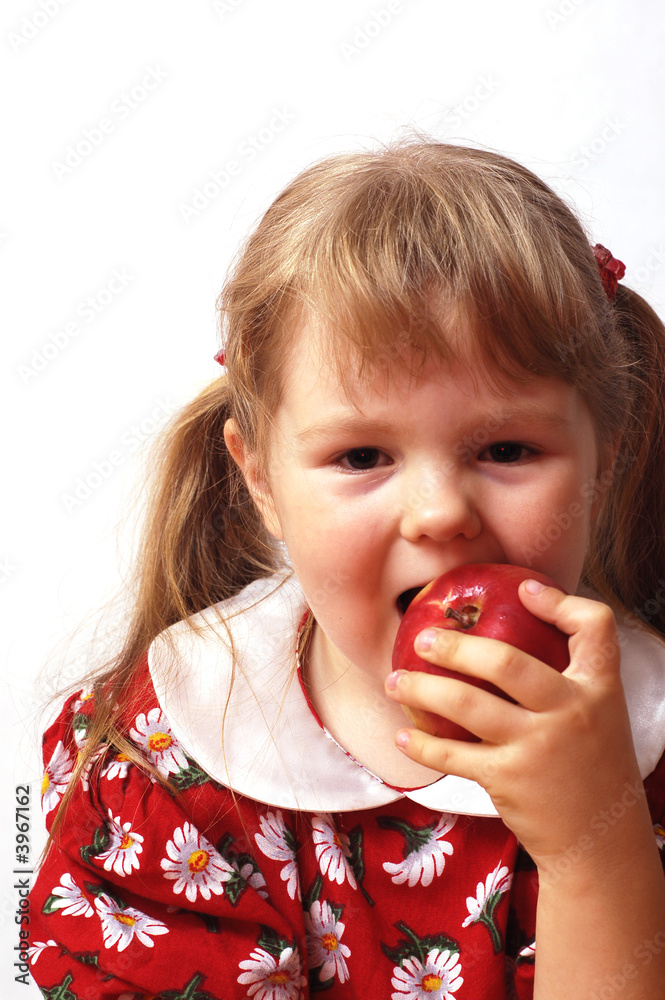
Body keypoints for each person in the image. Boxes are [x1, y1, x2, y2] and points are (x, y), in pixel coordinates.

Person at [28, 139, 665, 999]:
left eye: (507, 449)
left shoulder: (648, 747)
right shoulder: (165, 759)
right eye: (362, 455)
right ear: (260, 480)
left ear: (604, 459)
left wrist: (595, 851)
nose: (439, 512)